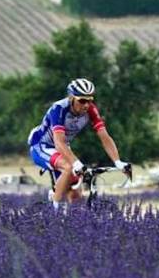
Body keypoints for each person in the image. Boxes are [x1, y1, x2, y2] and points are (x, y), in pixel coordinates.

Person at [28, 78, 130, 210]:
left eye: (90, 100)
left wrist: (118, 162)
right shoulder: (59, 109)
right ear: (71, 98)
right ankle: (54, 210)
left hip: (63, 147)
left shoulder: (91, 110)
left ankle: (69, 217)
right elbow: (59, 142)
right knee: (68, 167)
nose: (86, 105)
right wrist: (76, 163)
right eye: (82, 100)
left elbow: (105, 137)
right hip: (42, 146)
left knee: (75, 195)